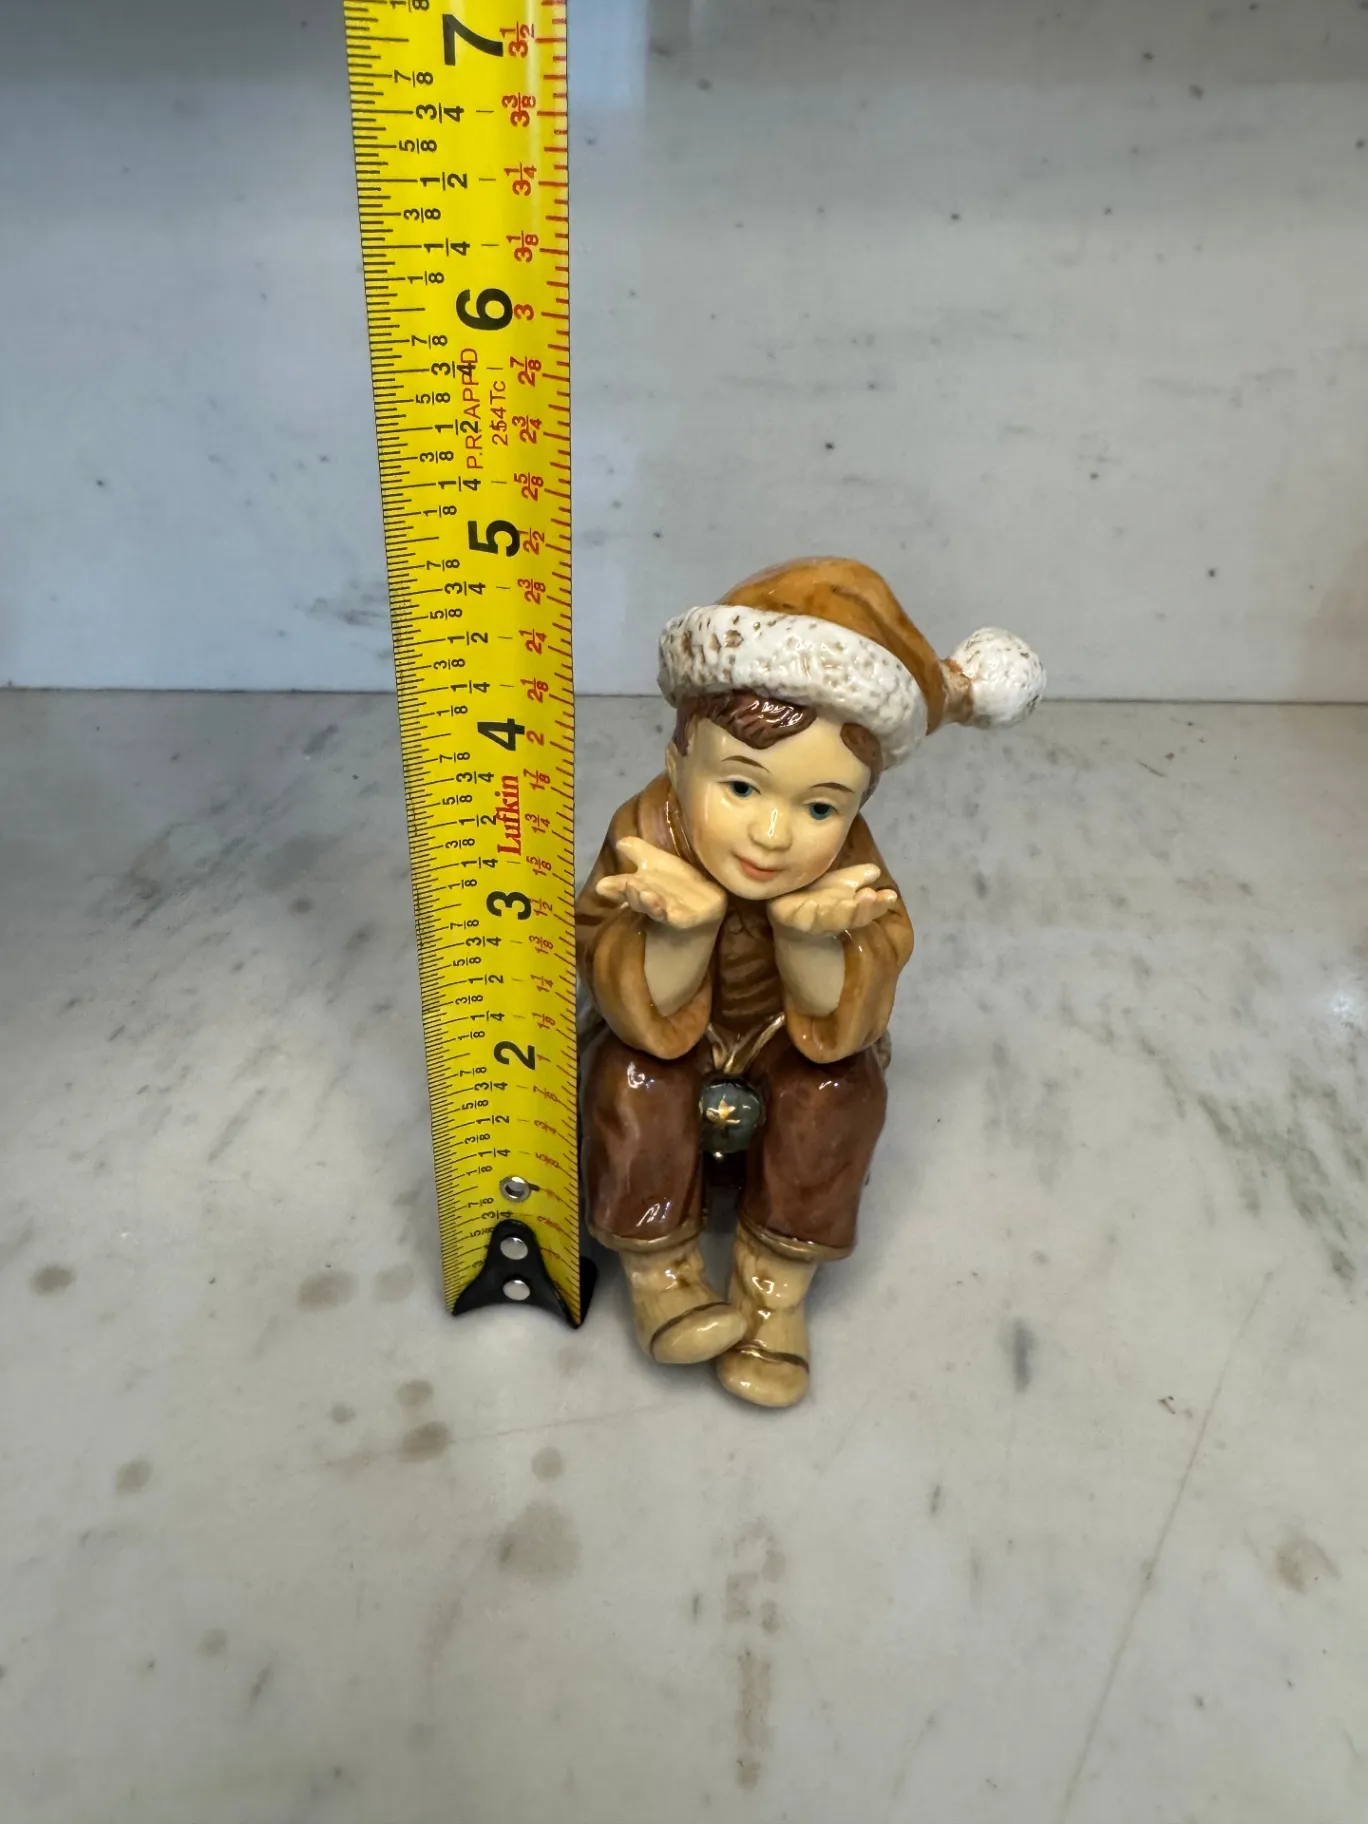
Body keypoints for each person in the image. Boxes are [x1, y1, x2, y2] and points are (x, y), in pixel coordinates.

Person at [575, 557, 1044, 1407]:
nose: (772, 833)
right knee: (635, 1077)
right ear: (678, 762)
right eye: (740, 785)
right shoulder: (645, 836)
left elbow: (847, 1022)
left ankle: (772, 1291)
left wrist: (810, 944)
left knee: (835, 1090)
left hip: (780, 1040)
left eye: (821, 806)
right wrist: (679, 932)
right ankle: (661, 1273)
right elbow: (627, 1001)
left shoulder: (851, 873)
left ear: (859, 805)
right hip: (673, 1035)